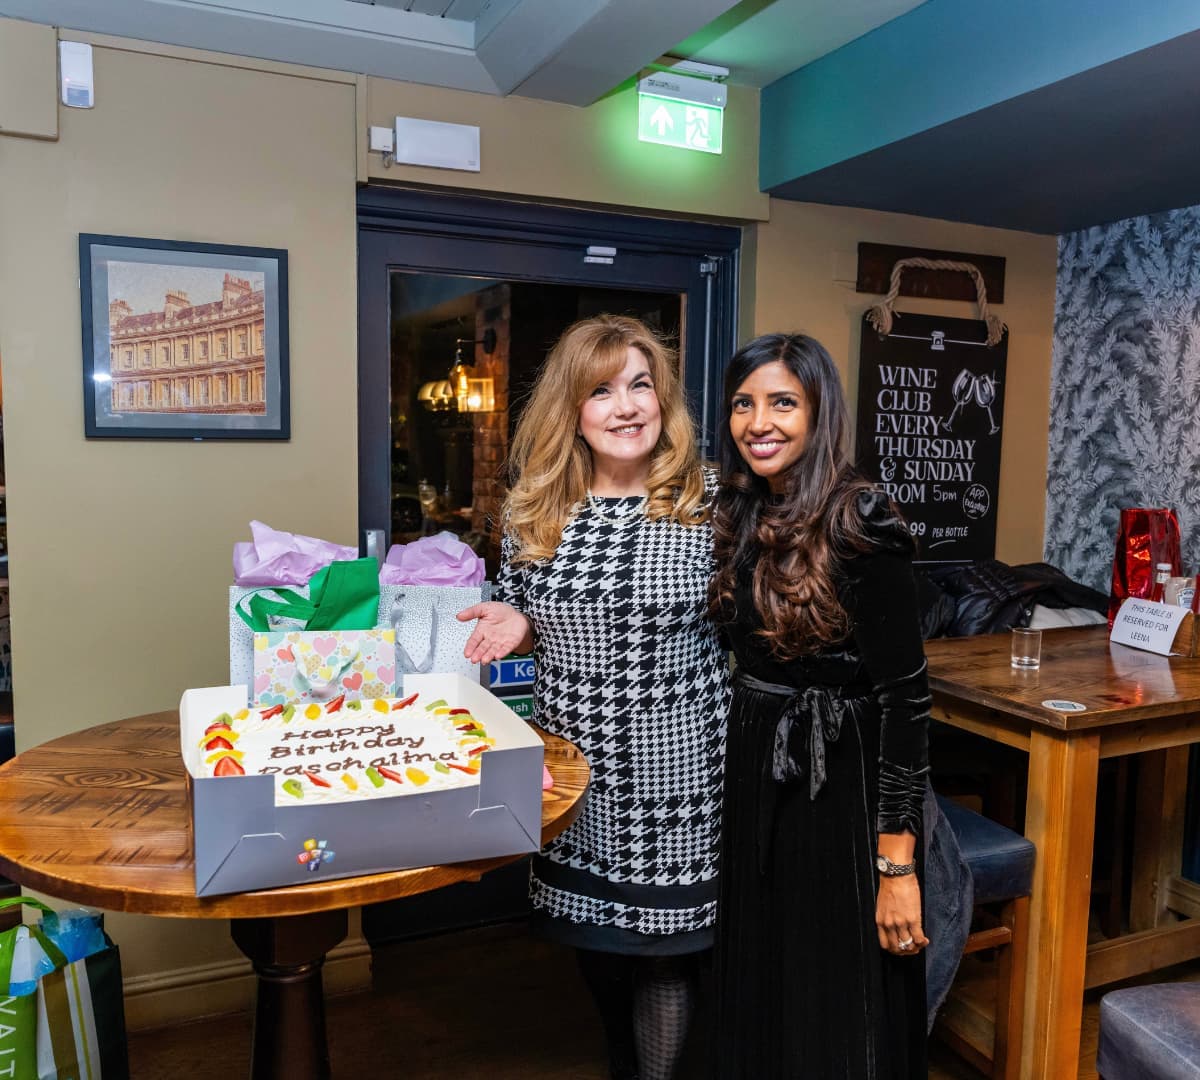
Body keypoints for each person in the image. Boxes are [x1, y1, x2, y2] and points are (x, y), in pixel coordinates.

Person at [457, 314, 730, 1080]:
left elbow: (756, 633)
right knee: (600, 956)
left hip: (684, 782)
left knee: (667, 963)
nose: (627, 405)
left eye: (641, 385)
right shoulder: (533, 511)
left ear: (663, 398)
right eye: (602, 390)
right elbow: (524, 614)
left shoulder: (708, 504)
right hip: (576, 776)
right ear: (571, 409)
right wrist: (516, 621)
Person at [708, 332, 930, 1078]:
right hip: (756, 768)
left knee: (837, 987)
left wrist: (896, 866)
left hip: (840, 780)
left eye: (781, 402)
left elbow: (907, 699)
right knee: (764, 973)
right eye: (743, 403)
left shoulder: (860, 516)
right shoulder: (739, 510)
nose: (758, 422)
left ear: (817, 412)